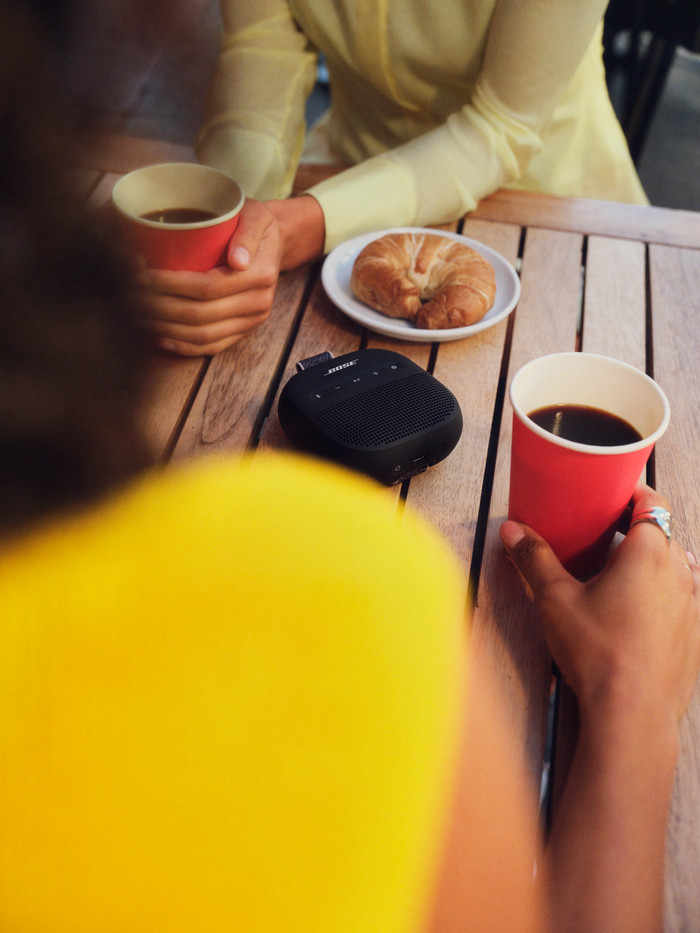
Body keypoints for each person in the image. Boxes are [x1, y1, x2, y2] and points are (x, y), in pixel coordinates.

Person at [2, 3, 700, 931]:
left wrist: (289, 224)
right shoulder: (348, 590)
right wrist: (235, 237)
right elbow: (258, 58)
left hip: (555, 211)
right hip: (328, 211)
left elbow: (500, 128)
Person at [140, 0, 648, 356]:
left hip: (539, 206)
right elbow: (262, 49)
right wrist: (234, 223)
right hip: (348, 173)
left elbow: (502, 125)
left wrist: (306, 223)